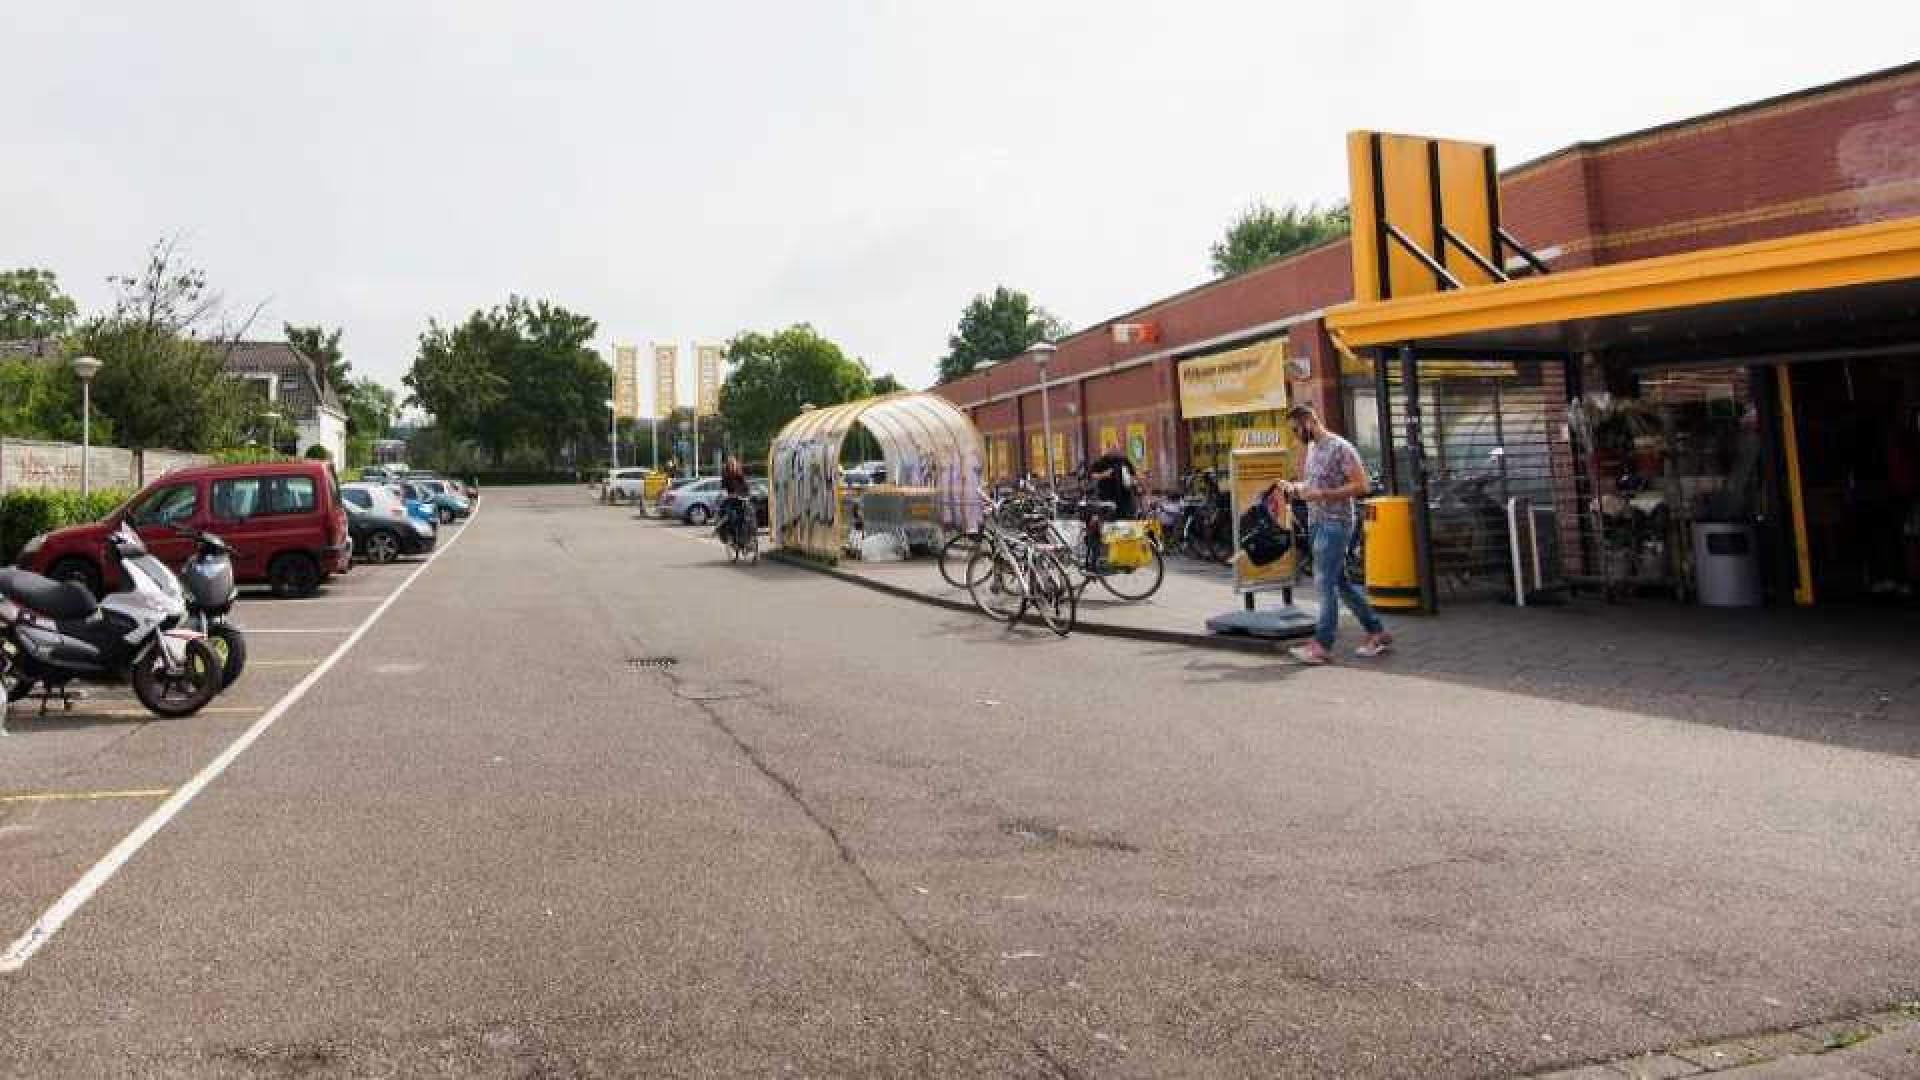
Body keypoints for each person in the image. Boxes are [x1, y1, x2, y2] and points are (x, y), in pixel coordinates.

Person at [1281, 403, 1390, 664]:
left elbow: (1362, 485)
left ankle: (1322, 644)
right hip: (1317, 522)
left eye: (1296, 429)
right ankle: (1377, 631)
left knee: (1323, 583)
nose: (1295, 435)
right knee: (1339, 583)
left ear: (1309, 421)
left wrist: (1324, 495)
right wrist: (1294, 488)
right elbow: (1313, 484)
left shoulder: (1340, 447)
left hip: (1336, 524)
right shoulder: (1311, 449)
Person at [1087, 448, 1140, 520]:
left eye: (1117, 447)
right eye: (1113, 447)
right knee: (1110, 519)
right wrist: (1104, 474)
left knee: (1127, 518)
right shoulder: (1102, 461)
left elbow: (1133, 474)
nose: (1115, 449)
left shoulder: (1124, 460)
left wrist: (1135, 481)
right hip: (1108, 496)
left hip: (1125, 497)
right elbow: (1091, 475)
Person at [717, 456, 751, 542]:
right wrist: (724, 494)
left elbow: (745, 485)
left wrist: (746, 494)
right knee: (731, 515)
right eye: (730, 464)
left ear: (736, 464)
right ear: (728, 465)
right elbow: (723, 486)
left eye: (733, 464)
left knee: (745, 514)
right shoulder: (725, 475)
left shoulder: (739, 473)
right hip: (731, 498)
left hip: (741, 497)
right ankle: (733, 535)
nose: (732, 466)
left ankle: (745, 535)